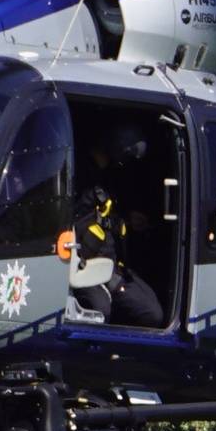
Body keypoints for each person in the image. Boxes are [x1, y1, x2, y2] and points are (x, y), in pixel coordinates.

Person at [72, 122, 163, 327]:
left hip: (112, 267)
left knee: (152, 311)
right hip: (85, 266)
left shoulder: (110, 178)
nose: (124, 164)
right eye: (126, 157)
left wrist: (126, 221)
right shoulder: (80, 179)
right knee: (99, 311)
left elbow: (104, 217)